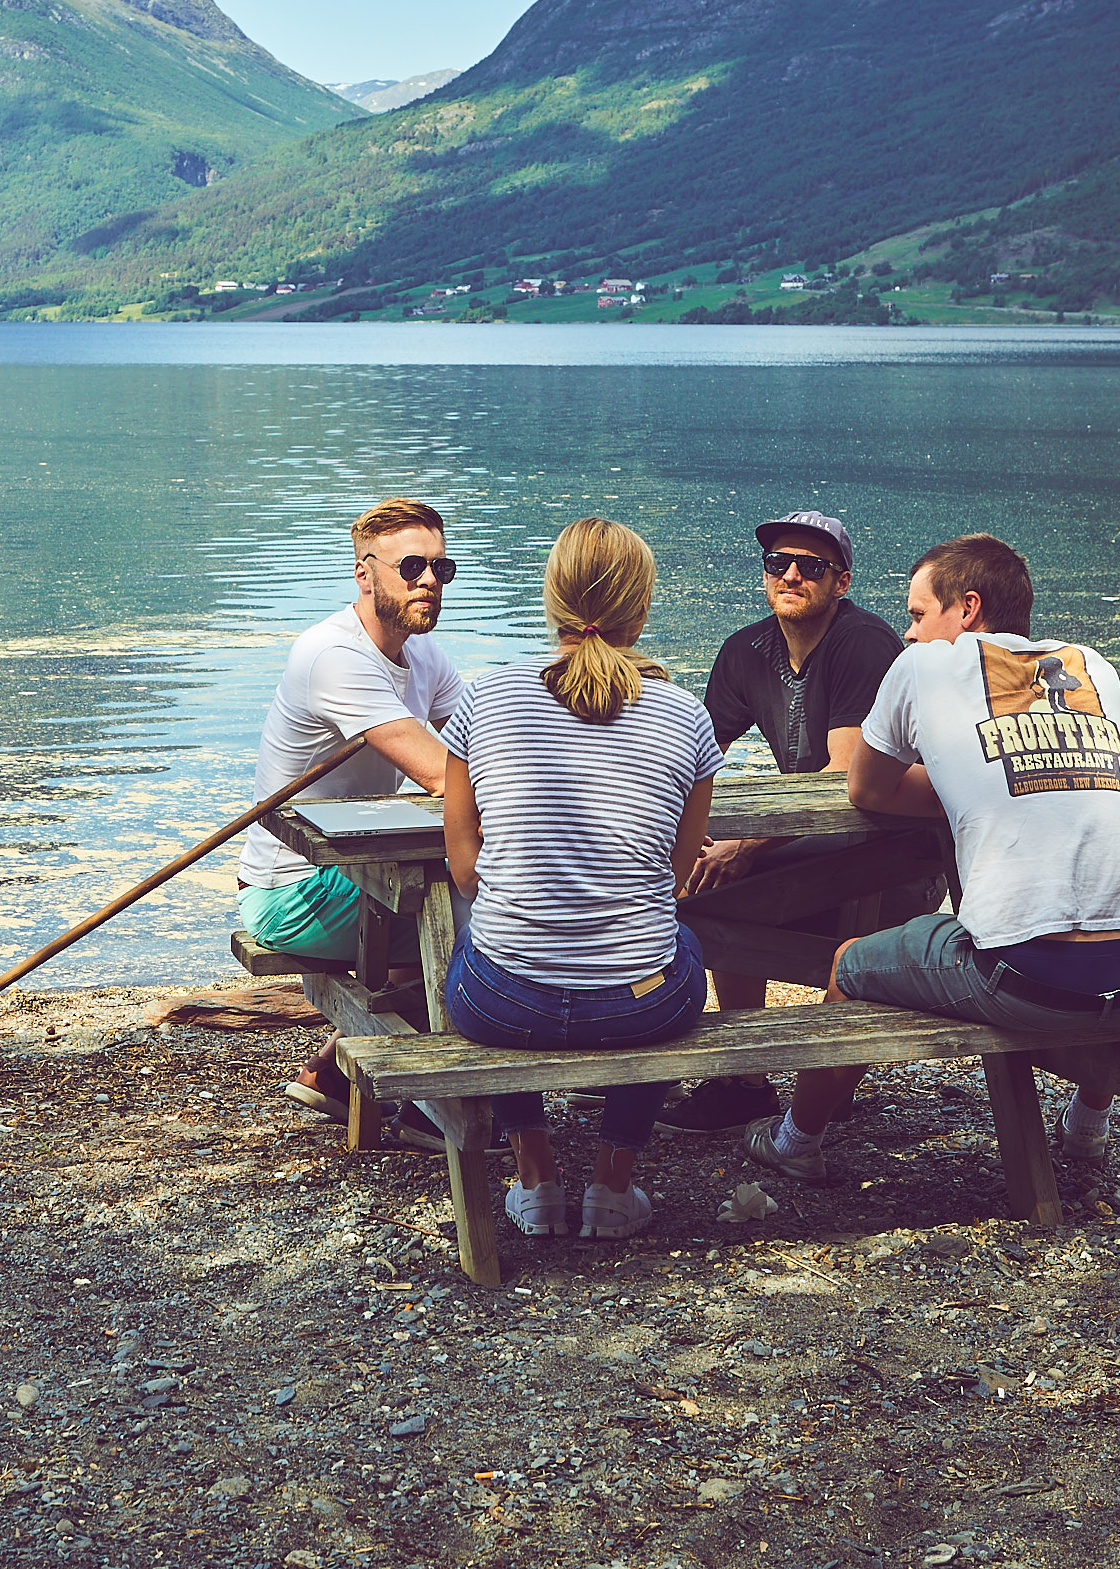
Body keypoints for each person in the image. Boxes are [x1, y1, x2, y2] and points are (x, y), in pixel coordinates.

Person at [743, 533, 1120, 1183]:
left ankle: (794, 1141)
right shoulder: (1093, 666)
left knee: (850, 962)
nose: (908, 631)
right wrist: (984, 790)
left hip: (1036, 984)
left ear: (968, 609)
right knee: (1099, 919)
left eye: (920, 614)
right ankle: (1088, 1127)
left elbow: (866, 788)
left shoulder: (923, 668)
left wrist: (961, 792)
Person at [441, 518, 722, 1241]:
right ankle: (611, 1186)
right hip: (638, 1009)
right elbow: (677, 871)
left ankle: (535, 1179)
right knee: (676, 946)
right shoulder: (687, 717)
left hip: (501, 1004)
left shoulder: (484, 698)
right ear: (643, 604)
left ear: (553, 597)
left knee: (477, 944)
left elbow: (466, 867)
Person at [657, 508, 907, 1138]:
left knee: (716, 888)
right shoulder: (747, 650)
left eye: (811, 567)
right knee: (684, 874)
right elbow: (692, 755)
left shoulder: (863, 643)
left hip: (883, 852)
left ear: (841, 582)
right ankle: (668, 1054)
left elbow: (844, 777)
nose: (791, 574)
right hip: (805, 840)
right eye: (778, 563)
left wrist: (743, 844)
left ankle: (748, 1078)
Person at [240, 497, 469, 1138]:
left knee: (445, 883)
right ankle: (437, 1107)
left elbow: (479, 745)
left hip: (355, 878)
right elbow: (442, 771)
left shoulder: (426, 657)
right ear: (364, 575)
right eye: (412, 567)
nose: (429, 580)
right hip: (291, 893)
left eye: (441, 569)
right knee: (482, 910)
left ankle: (342, 1076)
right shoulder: (332, 654)